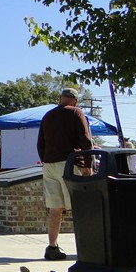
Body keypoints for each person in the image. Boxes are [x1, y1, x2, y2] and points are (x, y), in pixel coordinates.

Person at [36, 88, 95, 261]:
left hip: (49, 164)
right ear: (75, 101)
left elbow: (40, 143)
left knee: (55, 208)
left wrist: (46, 160)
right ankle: (88, 248)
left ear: (61, 98)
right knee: (79, 206)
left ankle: (52, 246)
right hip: (69, 163)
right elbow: (85, 139)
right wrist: (88, 164)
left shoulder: (48, 115)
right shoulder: (76, 112)